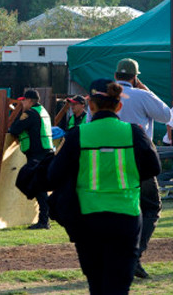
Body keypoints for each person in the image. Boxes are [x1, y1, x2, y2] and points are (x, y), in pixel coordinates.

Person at [47, 79, 161, 294]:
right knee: (119, 285)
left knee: (97, 284)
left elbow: (54, 175)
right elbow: (153, 167)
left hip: (89, 217)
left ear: (91, 105)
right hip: (126, 215)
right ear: (119, 106)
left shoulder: (78, 135)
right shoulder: (134, 132)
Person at [112, 58, 172, 278]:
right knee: (151, 208)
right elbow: (167, 115)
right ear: (135, 77)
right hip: (139, 160)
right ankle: (134, 256)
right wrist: (147, 90)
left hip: (111, 161)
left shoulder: (105, 96)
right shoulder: (142, 95)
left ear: (116, 75)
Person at [8, 89, 55, 229]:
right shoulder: (42, 111)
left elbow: (14, 129)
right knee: (40, 186)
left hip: (37, 154)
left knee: (38, 187)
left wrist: (19, 115)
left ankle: (43, 221)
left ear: (29, 100)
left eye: (23, 100)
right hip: (45, 152)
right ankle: (45, 218)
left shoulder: (30, 113)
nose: (22, 102)